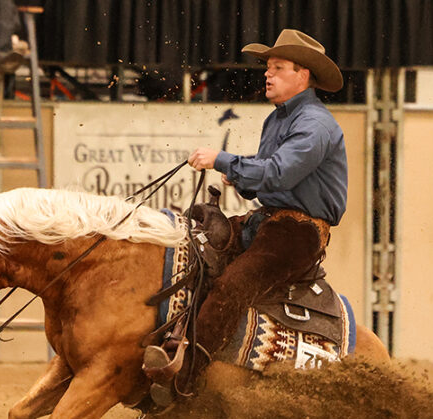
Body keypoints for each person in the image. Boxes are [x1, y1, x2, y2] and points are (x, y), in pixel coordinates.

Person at [144, 29, 347, 399]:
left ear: (302, 75)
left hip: (297, 233)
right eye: (268, 67)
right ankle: (177, 341)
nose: (267, 74)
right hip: (270, 220)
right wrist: (241, 177)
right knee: (195, 246)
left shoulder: (315, 124)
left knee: (232, 285)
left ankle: (183, 380)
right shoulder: (278, 120)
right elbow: (269, 173)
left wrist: (222, 159)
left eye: (278, 67)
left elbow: (280, 172)